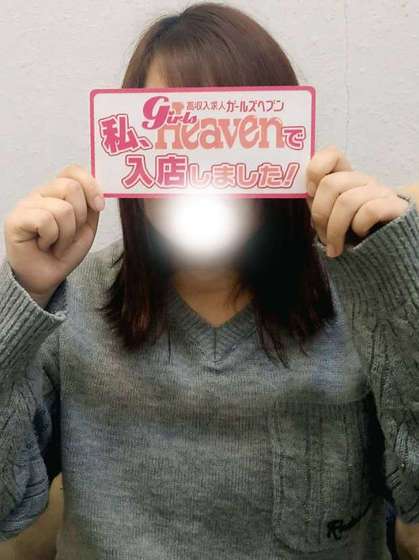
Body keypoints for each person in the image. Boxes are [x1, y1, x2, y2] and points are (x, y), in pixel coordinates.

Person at [0, 3, 418, 559]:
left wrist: (400, 286)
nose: (204, 169)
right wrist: (21, 297)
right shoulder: (73, 299)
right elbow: (8, 507)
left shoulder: (356, 294)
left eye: (234, 131)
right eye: (175, 131)